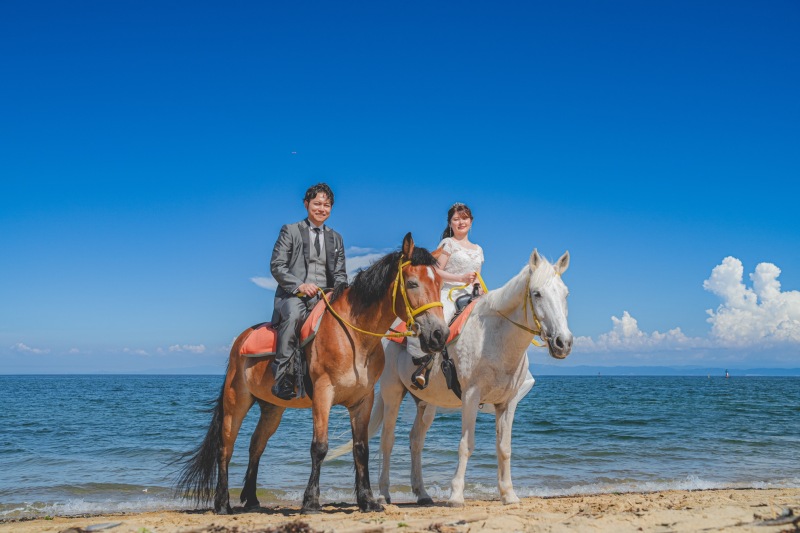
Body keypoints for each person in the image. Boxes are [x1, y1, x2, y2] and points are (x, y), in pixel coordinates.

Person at [269, 183, 347, 400]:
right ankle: (283, 378)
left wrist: (338, 293)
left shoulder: (337, 238)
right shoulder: (290, 230)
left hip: (325, 297)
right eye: (317, 204)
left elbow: (340, 273)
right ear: (306, 204)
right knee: (294, 316)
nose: (322, 209)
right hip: (292, 295)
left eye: (327, 205)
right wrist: (300, 285)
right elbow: (277, 266)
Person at [411, 202, 484, 388]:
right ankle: (424, 366)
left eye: (465, 218)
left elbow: (478, 276)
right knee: (441, 323)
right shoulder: (448, 244)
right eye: (456, 219)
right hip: (449, 292)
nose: (461, 222)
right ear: (450, 223)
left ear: (471, 221)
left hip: (472, 294)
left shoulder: (478, 249)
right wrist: (460, 278)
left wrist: (478, 286)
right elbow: (435, 271)